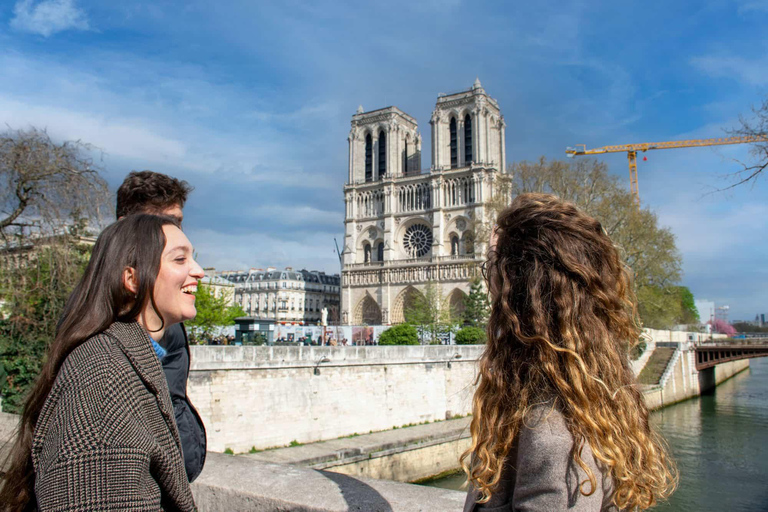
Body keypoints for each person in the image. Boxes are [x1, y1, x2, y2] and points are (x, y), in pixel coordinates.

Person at [461, 193, 676, 512]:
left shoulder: (549, 432)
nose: (489, 284)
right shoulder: (586, 394)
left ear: (517, 292)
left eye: (492, 269)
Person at [0, 214, 204, 510]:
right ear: (132, 279)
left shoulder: (121, 357)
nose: (198, 271)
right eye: (180, 259)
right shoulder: (105, 377)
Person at [116, 170, 207, 483]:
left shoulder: (160, 314)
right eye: (163, 224)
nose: (199, 272)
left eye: (178, 222)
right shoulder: (105, 352)